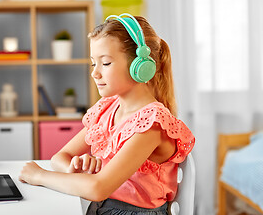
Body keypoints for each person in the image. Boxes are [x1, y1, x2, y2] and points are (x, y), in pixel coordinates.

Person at [19, 13, 195, 215]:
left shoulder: (152, 123)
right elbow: (60, 157)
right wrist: (77, 170)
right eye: (94, 63)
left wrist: (39, 176)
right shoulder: (108, 109)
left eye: (106, 63)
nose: (95, 73)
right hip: (101, 208)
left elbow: (97, 188)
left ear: (140, 67)